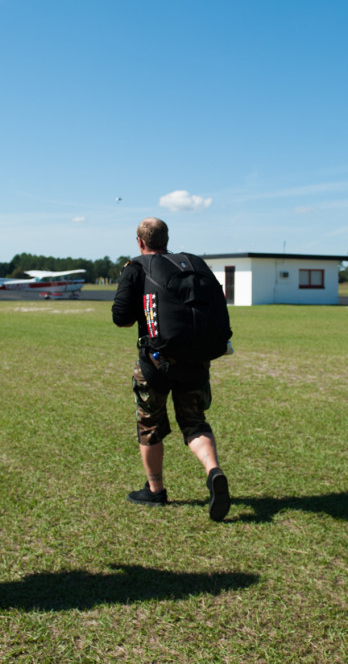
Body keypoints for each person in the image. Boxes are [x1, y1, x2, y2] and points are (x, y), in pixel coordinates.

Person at [111, 217, 230, 521]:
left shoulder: (136, 267)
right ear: (166, 240)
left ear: (140, 242)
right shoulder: (190, 264)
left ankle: (155, 490)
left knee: (149, 425)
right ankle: (213, 470)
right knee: (194, 422)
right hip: (196, 360)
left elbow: (121, 318)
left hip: (156, 363)